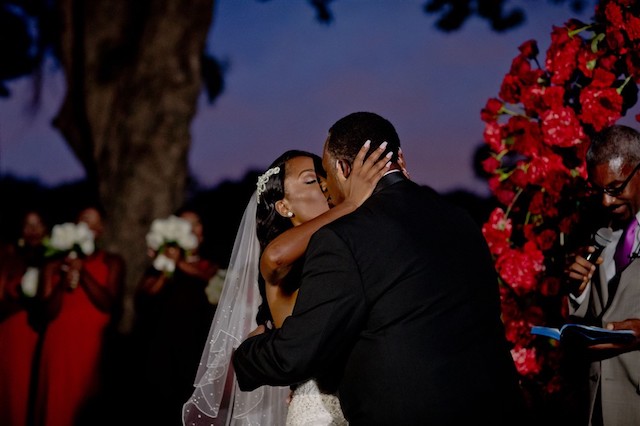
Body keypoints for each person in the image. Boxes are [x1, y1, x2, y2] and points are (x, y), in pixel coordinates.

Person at [231, 111, 527, 425]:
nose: (326, 189)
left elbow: (297, 354)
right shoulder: (459, 218)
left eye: (326, 176)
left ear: (344, 169)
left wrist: (245, 356)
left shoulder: (344, 238)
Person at [182, 145, 392, 425]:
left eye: (323, 176)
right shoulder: (280, 261)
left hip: (362, 401)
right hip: (318, 407)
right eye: (310, 180)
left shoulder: (341, 251)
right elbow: (276, 256)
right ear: (283, 206)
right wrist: (350, 205)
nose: (324, 185)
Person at [565, 124, 640, 425]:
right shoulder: (599, 234)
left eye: (616, 188)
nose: (606, 201)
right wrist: (577, 290)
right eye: (598, 191)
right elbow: (595, 319)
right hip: (598, 409)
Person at [34, 204, 125, 426]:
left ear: (101, 229)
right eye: (84, 219)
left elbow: (109, 304)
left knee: (85, 407)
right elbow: (45, 313)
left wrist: (82, 272)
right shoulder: (52, 264)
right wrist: (62, 282)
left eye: (94, 222)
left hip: (90, 346)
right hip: (57, 344)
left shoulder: (111, 261)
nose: (88, 226)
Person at [135, 207, 219, 426]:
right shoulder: (158, 266)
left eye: (196, 224)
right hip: (160, 347)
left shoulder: (207, 261)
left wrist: (178, 260)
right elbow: (144, 294)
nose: (191, 229)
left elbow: (206, 277)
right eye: (185, 224)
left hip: (195, 345)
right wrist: (165, 266)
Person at [0, 209, 48, 426]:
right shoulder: (9, 256)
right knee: (14, 393)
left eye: (38, 224)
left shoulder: (54, 258)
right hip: (13, 331)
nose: (33, 231)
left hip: (44, 333)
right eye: (28, 225)